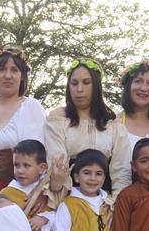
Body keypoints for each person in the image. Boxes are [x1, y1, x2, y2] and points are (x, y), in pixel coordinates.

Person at [46, 59, 132, 204]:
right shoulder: (59, 119)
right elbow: (56, 164)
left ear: (96, 86)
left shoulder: (112, 123)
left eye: (86, 83)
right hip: (67, 199)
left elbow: (121, 170)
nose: (79, 89)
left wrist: (114, 205)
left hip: (105, 201)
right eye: (74, 83)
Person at [0, 47, 47, 191]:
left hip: (19, 194)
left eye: (14, 70)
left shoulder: (31, 107)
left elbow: (42, 158)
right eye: (2, 69)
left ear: (22, 76)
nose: (8, 75)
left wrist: (38, 193)